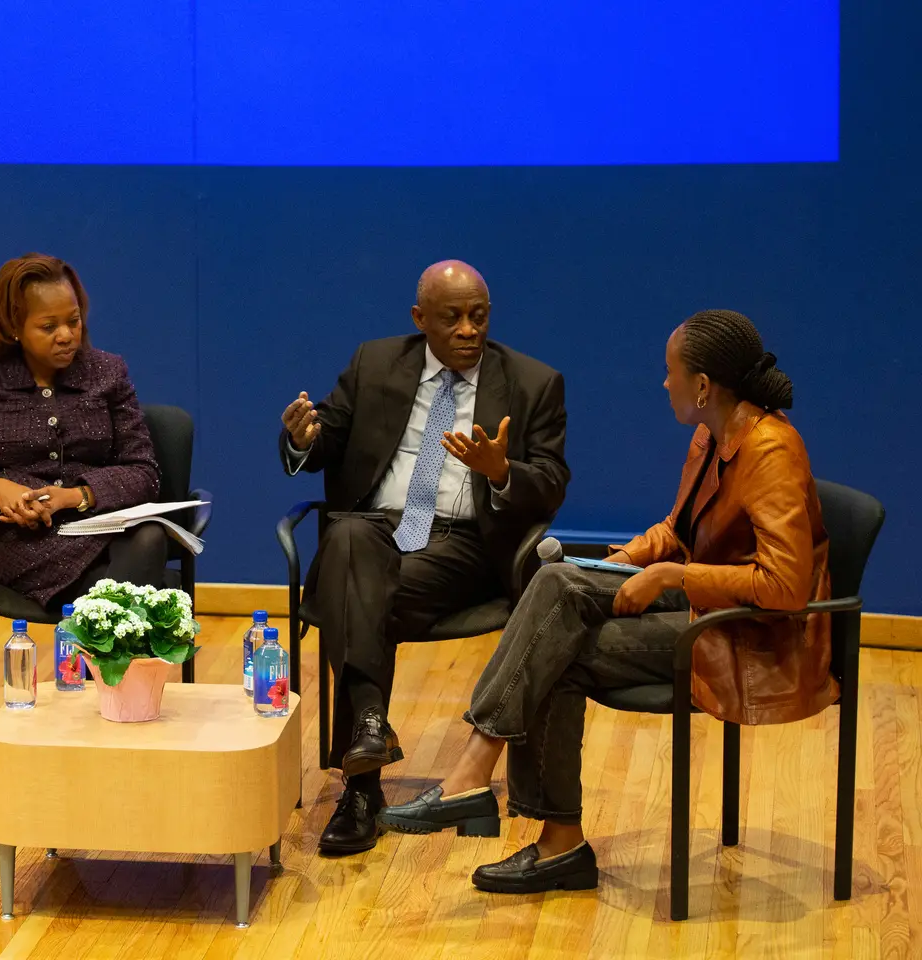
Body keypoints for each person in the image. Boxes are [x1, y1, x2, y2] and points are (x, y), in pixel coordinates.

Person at [379, 309, 833, 895]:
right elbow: (678, 527)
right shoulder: (711, 434)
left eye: (671, 373)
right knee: (560, 582)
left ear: (703, 386)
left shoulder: (771, 450)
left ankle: (526, 816)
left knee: (557, 648)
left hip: (754, 638)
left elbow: (785, 589)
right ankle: (524, 815)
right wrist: (630, 561)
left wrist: (673, 574)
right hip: (708, 611)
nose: (663, 383)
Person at [279, 259, 569, 855]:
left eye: (479, 316)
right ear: (420, 319)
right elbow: (326, 434)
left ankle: (360, 789)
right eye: (452, 317)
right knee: (353, 544)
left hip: (461, 546)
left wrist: (502, 471)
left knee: (353, 587)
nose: (468, 329)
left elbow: (553, 481)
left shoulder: (533, 382)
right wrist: (302, 439)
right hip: (373, 532)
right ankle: (368, 732)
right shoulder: (376, 362)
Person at [0, 253, 165, 610]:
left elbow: (144, 473)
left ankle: (90, 653)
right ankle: (103, 656)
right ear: (15, 327)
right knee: (127, 590)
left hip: (100, 526)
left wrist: (77, 496)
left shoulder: (107, 371)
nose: (66, 336)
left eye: (74, 321)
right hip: (21, 542)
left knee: (148, 541)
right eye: (49, 327)